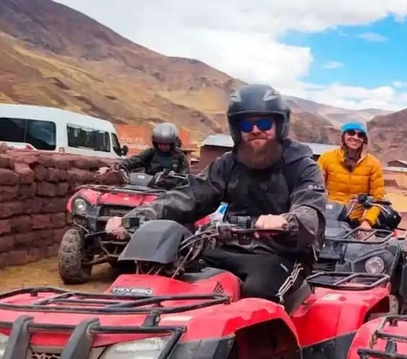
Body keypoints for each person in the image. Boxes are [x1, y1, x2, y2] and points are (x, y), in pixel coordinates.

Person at [105, 84, 328, 301]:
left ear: (279, 125)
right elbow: (190, 195)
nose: (255, 130)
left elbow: (310, 211)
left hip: (283, 254)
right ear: (236, 129)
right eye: (246, 125)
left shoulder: (302, 166)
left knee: (257, 295)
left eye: (263, 122)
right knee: (170, 270)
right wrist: (140, 216)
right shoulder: (228, 164)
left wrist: (286, 221)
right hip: (228, 247)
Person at [316, 119, 391, 230]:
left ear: (364, 139)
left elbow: (377, 197)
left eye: (360, 135)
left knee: (369, 245)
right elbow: (315, 189)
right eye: (351, 132)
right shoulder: (326, 158)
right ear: (343, 135)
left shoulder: (373, 164)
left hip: (357, 220)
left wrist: (367, 222)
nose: (355, 137)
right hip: (329, 216)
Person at [101, 122, 190, 176]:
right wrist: (118, 166)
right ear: (156, 143)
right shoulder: (151, 152)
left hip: (170, 192)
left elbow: (186, 176)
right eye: (160, 144)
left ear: (173, 143)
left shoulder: (180, 157)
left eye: (166, 144)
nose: (163, 146)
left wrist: (176, 178)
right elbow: (135, 160)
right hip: (149, 188)